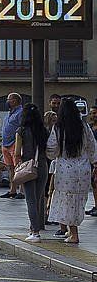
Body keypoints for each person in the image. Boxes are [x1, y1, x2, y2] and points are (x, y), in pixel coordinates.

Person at [46, 98, 97, 245]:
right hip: (83, 169)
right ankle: (71, 230)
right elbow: (92, 147)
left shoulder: (58, 128)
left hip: (65, 170)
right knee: (78, 201)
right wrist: (95, 163)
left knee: (67, 201)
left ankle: (74, 234)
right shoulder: (84, 126)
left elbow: (52, 149)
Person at [17, 103, 50, 242]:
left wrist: (17, 165)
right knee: (38, 198)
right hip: (42, 166)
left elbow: (17, 152)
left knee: (30, 200)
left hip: (28, 166)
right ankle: (33, 228)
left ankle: (35, 232)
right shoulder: (44, 131)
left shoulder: (21, 131)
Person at [0, 93, 24, 199]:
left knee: (19, 167)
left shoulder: (20, 112)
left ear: (15, 101)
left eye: (9, 99)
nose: (7, 102)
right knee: (10, 168)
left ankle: (22, 191)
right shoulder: (9, 113)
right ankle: (12, 190)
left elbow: (22, 128)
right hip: (5, 143)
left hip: (15, 143)